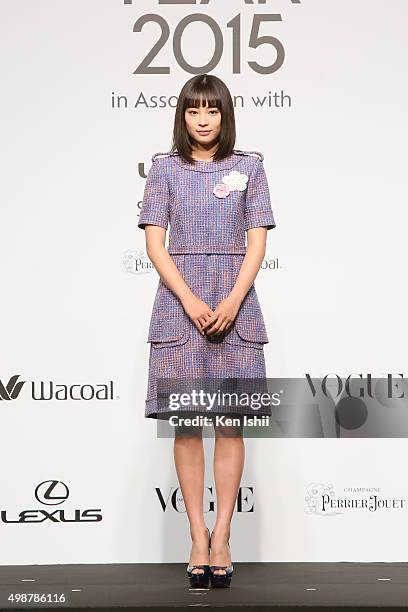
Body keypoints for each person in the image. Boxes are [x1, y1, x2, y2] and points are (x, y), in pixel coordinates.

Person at [138, 74, 276, 588]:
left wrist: (233, 300)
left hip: (235, 303)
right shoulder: (163, 169)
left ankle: (223, 534)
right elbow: (156, 244)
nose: (203, 120)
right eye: (194, 111)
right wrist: (192, 300)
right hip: (180, 305)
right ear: (183, 116)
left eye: (212, 111)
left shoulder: (250, 168)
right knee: (186, 424)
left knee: (231, 425)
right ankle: (196, 535)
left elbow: (257, 241)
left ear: (224, 115)